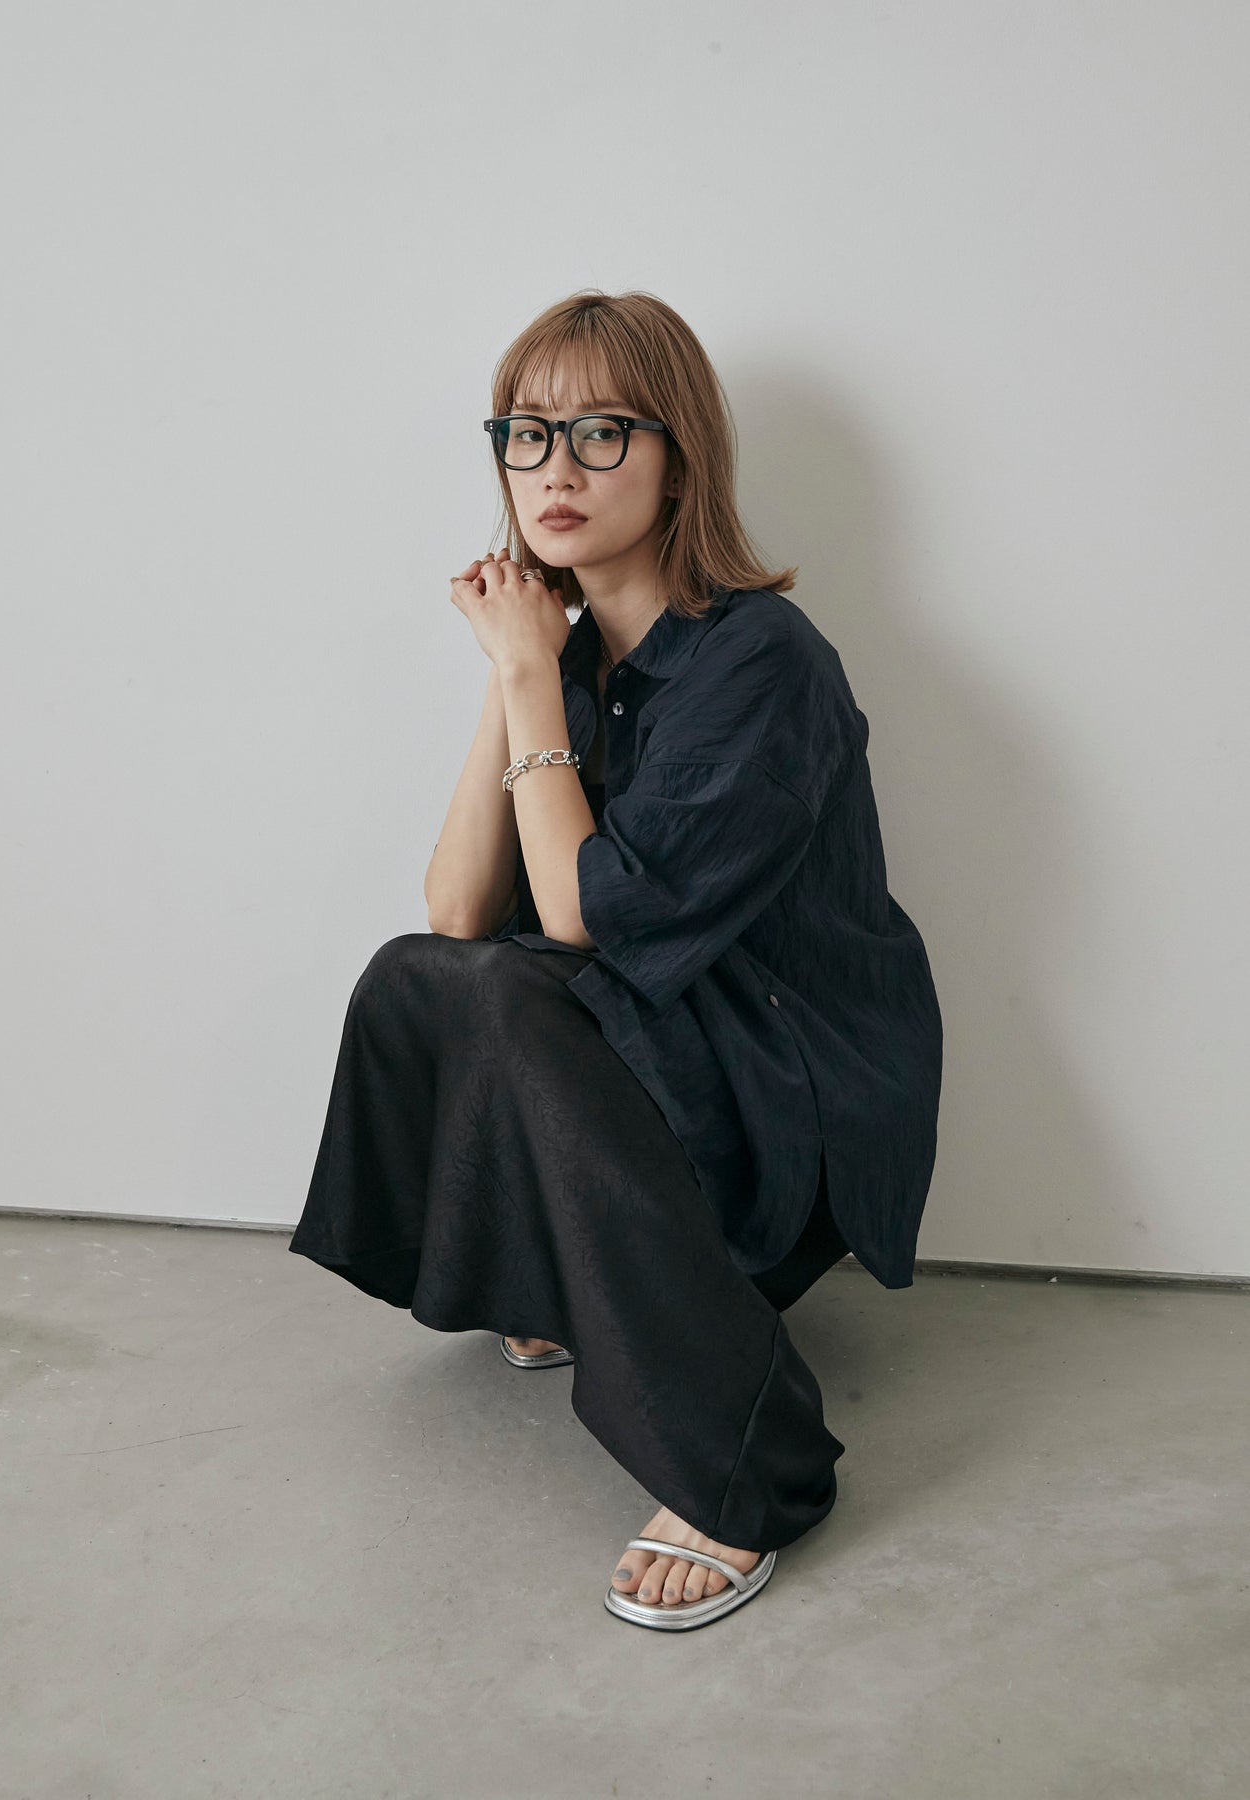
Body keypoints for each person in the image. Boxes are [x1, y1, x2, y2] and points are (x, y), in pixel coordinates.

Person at [289, 289, 943, 1632]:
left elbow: (587, 919)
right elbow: (456, 910)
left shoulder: (761, 660)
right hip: (664, 1082)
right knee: (418, 977)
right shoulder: (573, 657)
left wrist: (529, 677)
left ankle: (746, 1464)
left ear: (678, 459)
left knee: (517, 993)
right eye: (526, 436)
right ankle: (548, 1275)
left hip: (787, 1114)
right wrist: (516, 667)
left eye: (599, 432)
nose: (555, 471)